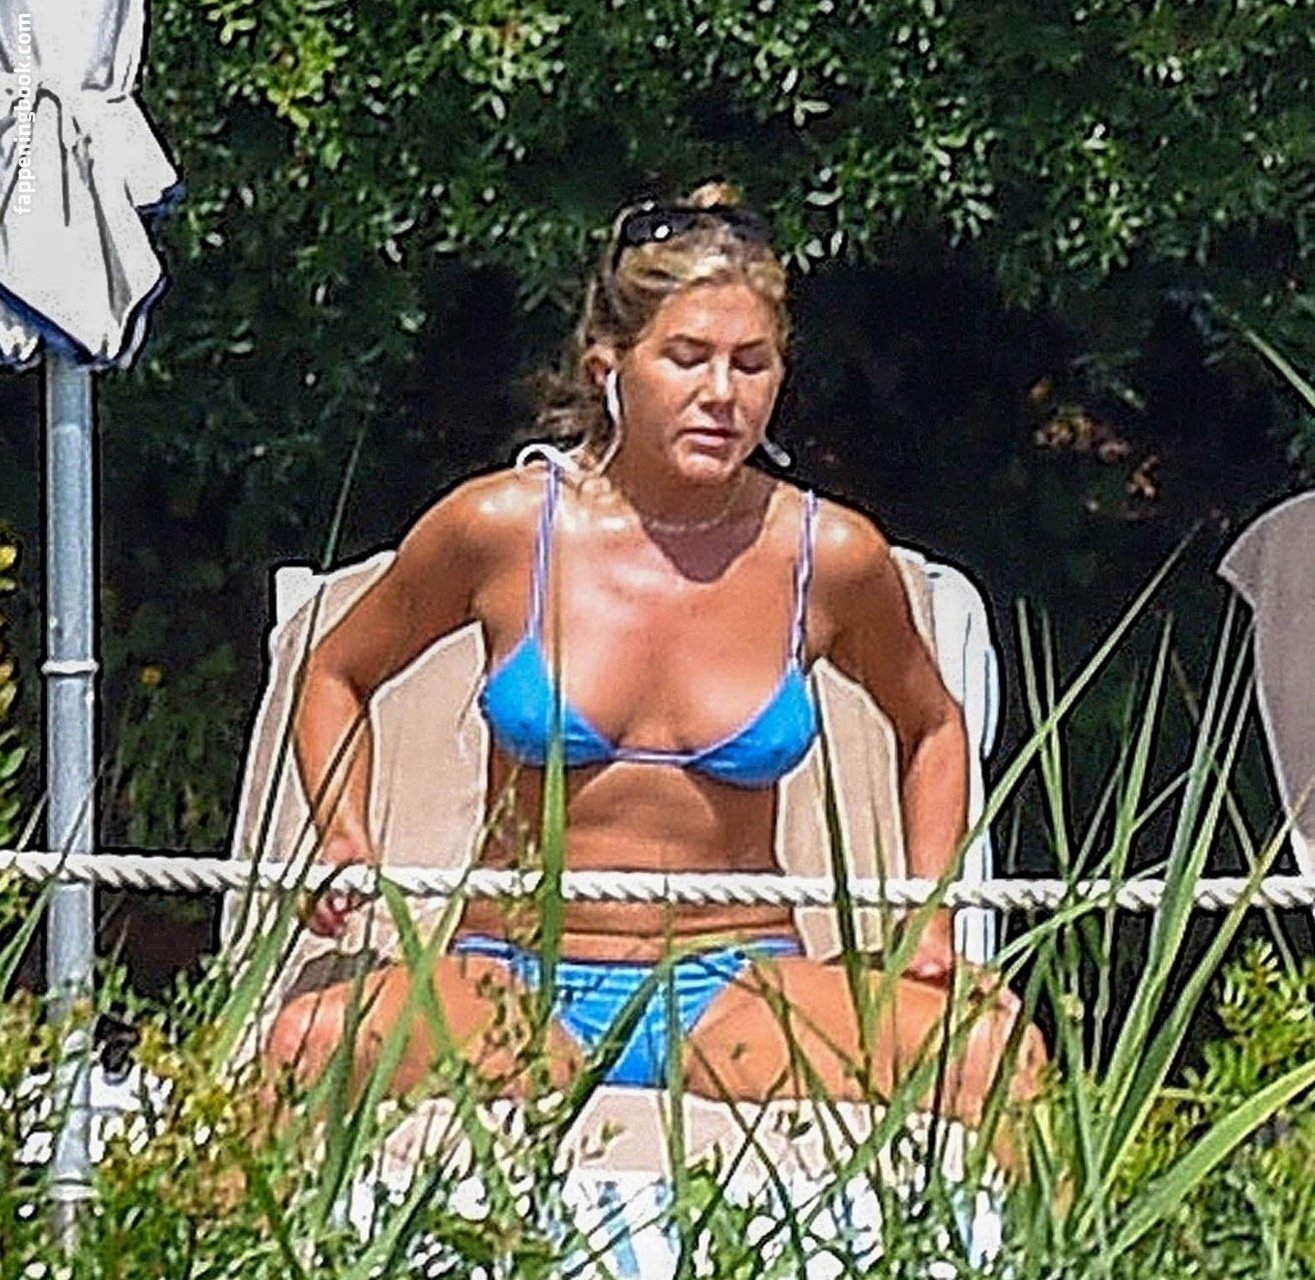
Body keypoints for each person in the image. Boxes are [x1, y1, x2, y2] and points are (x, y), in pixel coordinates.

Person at [265, 184, 1044, 1137]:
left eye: (751, 364)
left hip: (733, 987)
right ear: (609, 367)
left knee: (992, 1055)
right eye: (686, 358)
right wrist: (341, 833)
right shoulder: (502, 528)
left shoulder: (828, 556)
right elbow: (334, 672)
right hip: (514, 978)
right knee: (306, 1045)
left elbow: (933, 725)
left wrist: (929, 916)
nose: (721, 393)